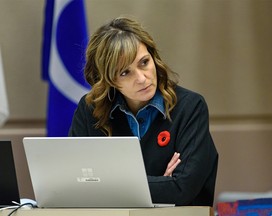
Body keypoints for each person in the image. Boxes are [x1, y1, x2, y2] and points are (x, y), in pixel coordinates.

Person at [69, 16, 218, 206]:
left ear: (153, 57)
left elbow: (182, 189)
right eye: (125, 72)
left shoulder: (190, 107)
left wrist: (107, 185)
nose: (141, 78)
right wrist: (160, 185)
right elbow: (75, 185)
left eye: (144, 62)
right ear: (108, 80)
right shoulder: (91, 110)